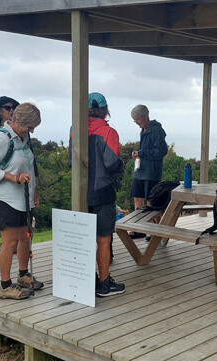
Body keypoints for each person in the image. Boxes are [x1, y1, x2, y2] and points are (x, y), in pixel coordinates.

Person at [0, 102, 43, 299]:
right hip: (5, 198)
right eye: (29, 126)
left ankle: (23, 275)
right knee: (10, 241)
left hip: (23, 198)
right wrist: (13, 177)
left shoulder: (22, 139)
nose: (32, 130)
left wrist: (34, 191)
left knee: (25, 236)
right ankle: (5, 287)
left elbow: (29, 166)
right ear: (18, 121)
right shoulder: (2, 138)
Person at [86, 92, 126, 297]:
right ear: (104, 109)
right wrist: (122, 162)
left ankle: (85, 281)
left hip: (81, 192)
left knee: (83, 237)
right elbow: (111, 163)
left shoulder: (75, 130)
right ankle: (103, 284)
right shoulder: (108, 132)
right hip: (102, 192)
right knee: (103, 239)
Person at [128, 104, 168, 239]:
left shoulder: (156, 130)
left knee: (152, 201)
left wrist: (141, 153)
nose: (137, 123)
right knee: (137, 197)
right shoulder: (144, 130)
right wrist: (139, 153)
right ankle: (139, 228)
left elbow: (161, 151)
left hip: (151, 172)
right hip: (140, 171)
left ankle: (156, 231)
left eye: (137, 120)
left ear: (145, 116)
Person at [0, 96, 19, 254]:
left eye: (14, 107)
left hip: (19, 182)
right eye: (8, 108)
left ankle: (12, 244)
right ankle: (7, 243)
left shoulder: (22, 130)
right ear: (0, 111)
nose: (12, 110)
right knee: (4, 215)